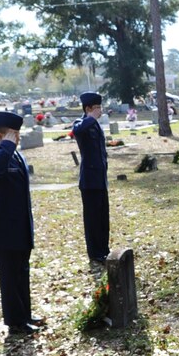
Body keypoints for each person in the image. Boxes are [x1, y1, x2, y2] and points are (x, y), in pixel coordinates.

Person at [0, 111, 44, 335]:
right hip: (4, 227)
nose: (16, 138)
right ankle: (14, 321)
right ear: (0, 136)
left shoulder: (17, 156)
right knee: (9, 275)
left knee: (22, 271)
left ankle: (24, 314)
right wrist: (5, 147)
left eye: (17, 134)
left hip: (20, 225)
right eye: (12, 134)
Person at [72, 91, 110, 263]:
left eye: (100, 107)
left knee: (103, 217)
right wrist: (91, 117)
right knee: (92, 220)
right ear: (87, 108)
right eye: (96, 108)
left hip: (100, 179)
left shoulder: (94, 125)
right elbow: (77, 130)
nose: (99, 111)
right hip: (89, 181)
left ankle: (104, 248)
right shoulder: (82, 123)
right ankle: (95, 252)